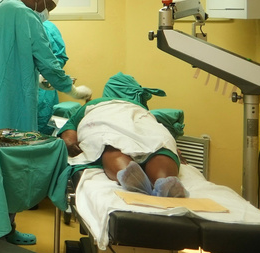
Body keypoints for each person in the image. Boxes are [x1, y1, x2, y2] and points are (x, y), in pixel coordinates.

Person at [0, 0, 91, 245]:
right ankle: (2, 230)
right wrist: (71, 89)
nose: (46, 13)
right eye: (48, 7)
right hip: (9, 104)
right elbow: (48, 61)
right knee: (10, 166)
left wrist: (37, 78)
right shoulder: (27, 16)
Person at [59, 72, 187, 198]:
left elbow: (70, 128)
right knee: (160, 146)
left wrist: (69, 143)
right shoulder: (141, 108)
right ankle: (166, 181)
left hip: (107, 126)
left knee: (112, 146)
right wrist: (173, 149)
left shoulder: (94, 104)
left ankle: (130, 175)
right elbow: (160, 131)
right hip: (145, 123)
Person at [37, 19, 69, 135]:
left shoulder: (47, 27)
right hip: (15, 86)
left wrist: (43, 73)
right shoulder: (12, 26)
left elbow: (60, 57)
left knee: (43, 125)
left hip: (42, 87)